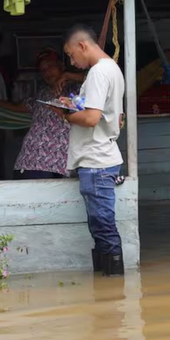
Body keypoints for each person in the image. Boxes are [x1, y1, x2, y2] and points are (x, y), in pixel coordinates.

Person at [50, 24, 125, 277]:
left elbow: (92, 118)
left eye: (71, 55)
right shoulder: (109, 69)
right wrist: (72, 104)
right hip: (99, 159)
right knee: (100, 226)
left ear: (82, 46)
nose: (71, 61)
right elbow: (98, 111)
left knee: (103, 226)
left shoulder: (98, 73)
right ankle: (108, 292)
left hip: (97, 161)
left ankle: (113, 288)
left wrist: (65, 115)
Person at [0, 48, 83, 179]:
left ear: (61, 66)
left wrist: (67, 76)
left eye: (50, 67)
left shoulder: (77, 89)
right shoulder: (41, 93)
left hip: (59, 164)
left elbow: (98, 78)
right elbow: (17, 107)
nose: (47, 72)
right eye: (43, 70)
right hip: (31, 161)